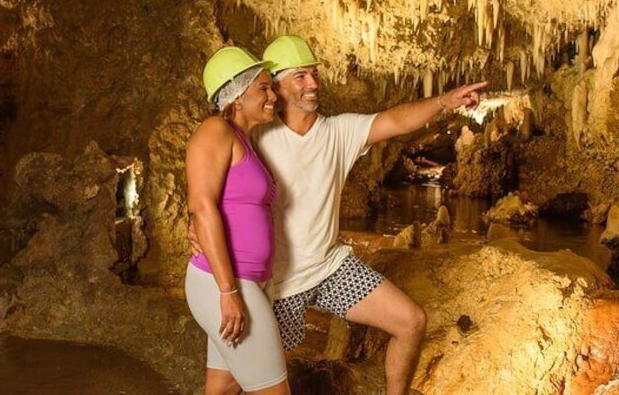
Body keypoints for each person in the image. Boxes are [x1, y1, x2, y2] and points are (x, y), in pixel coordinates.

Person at [191, 35, 486, 395]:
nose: (313, 84)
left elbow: (395, 121)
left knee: (411, 321)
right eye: (300, 77)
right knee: (231, 382)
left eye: (314, 74)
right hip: (277, 282)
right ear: (276, 87)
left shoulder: (338, 132)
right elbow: (211, 187)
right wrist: (198, 229)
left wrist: (444, 101)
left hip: (330, 268)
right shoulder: (255, 134)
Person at [185, 46, 290, 395]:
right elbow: (202, 205)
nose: (272, 95)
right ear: (236, 94)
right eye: (263, 87)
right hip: (226, 283)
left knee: (223, 388)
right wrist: (228, 291)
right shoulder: (215, 130)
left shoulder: (244, 139)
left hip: (244, 282)